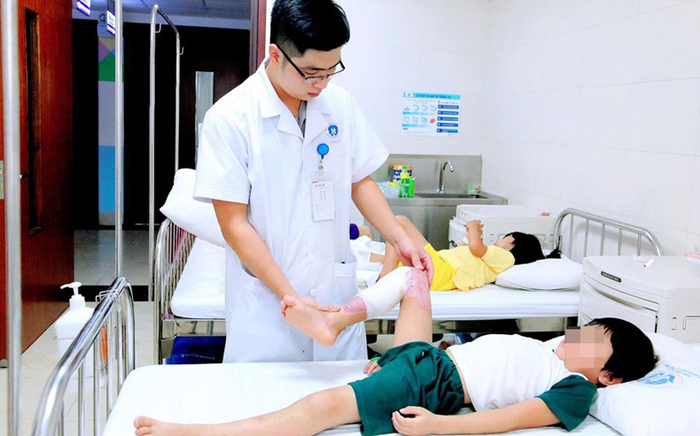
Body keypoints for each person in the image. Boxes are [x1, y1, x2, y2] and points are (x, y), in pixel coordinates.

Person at [193, 0, 432, 362]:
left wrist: (399, 237)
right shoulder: (230, 118)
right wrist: (291, 298)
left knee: (344, 393)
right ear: (276, 55)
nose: (322, 84)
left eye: (331, 71)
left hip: (335, 296)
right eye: (312, 74)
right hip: (267, 309)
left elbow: (359, 180)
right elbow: (234, 225)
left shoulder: (340, 105)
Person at [134, 267, 657, 436]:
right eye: (589, 327)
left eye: (596, 341)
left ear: (608, 377)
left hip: (431, 385)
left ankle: (193, 432)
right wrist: (400, 356)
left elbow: (508, 419)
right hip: (428, 359)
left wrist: (438, 426)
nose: (581, 335)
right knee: (413, 277)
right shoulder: (550, 349)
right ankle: (337, 318)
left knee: (318, 410)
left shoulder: (574, 387)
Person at [378, 216, 551, 291]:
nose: (497, 241)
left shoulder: (506, 257)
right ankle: (383, 272)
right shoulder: (491, 260)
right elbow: (462, 251)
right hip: (440, 268)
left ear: (512, 242)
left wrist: (473, 226)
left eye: (503, 238)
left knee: (399, 223)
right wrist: (468, 236)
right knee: (392, 251)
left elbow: (476, 247)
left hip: (441, 272)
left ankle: (383, 281)